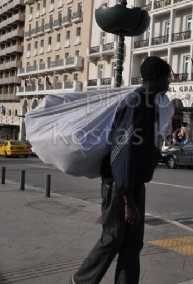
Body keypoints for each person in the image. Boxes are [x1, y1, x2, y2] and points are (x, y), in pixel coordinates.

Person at [71, 56, 172, 284]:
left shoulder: (150, 103)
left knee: (133, 245)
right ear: (155, 79)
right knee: (113, 239)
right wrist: (128, 200)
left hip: (134, 184)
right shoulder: (135, 104)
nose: (169, 83)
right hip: (120, 185)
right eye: (167, 78)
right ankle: (80, 281)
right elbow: (123, 152)